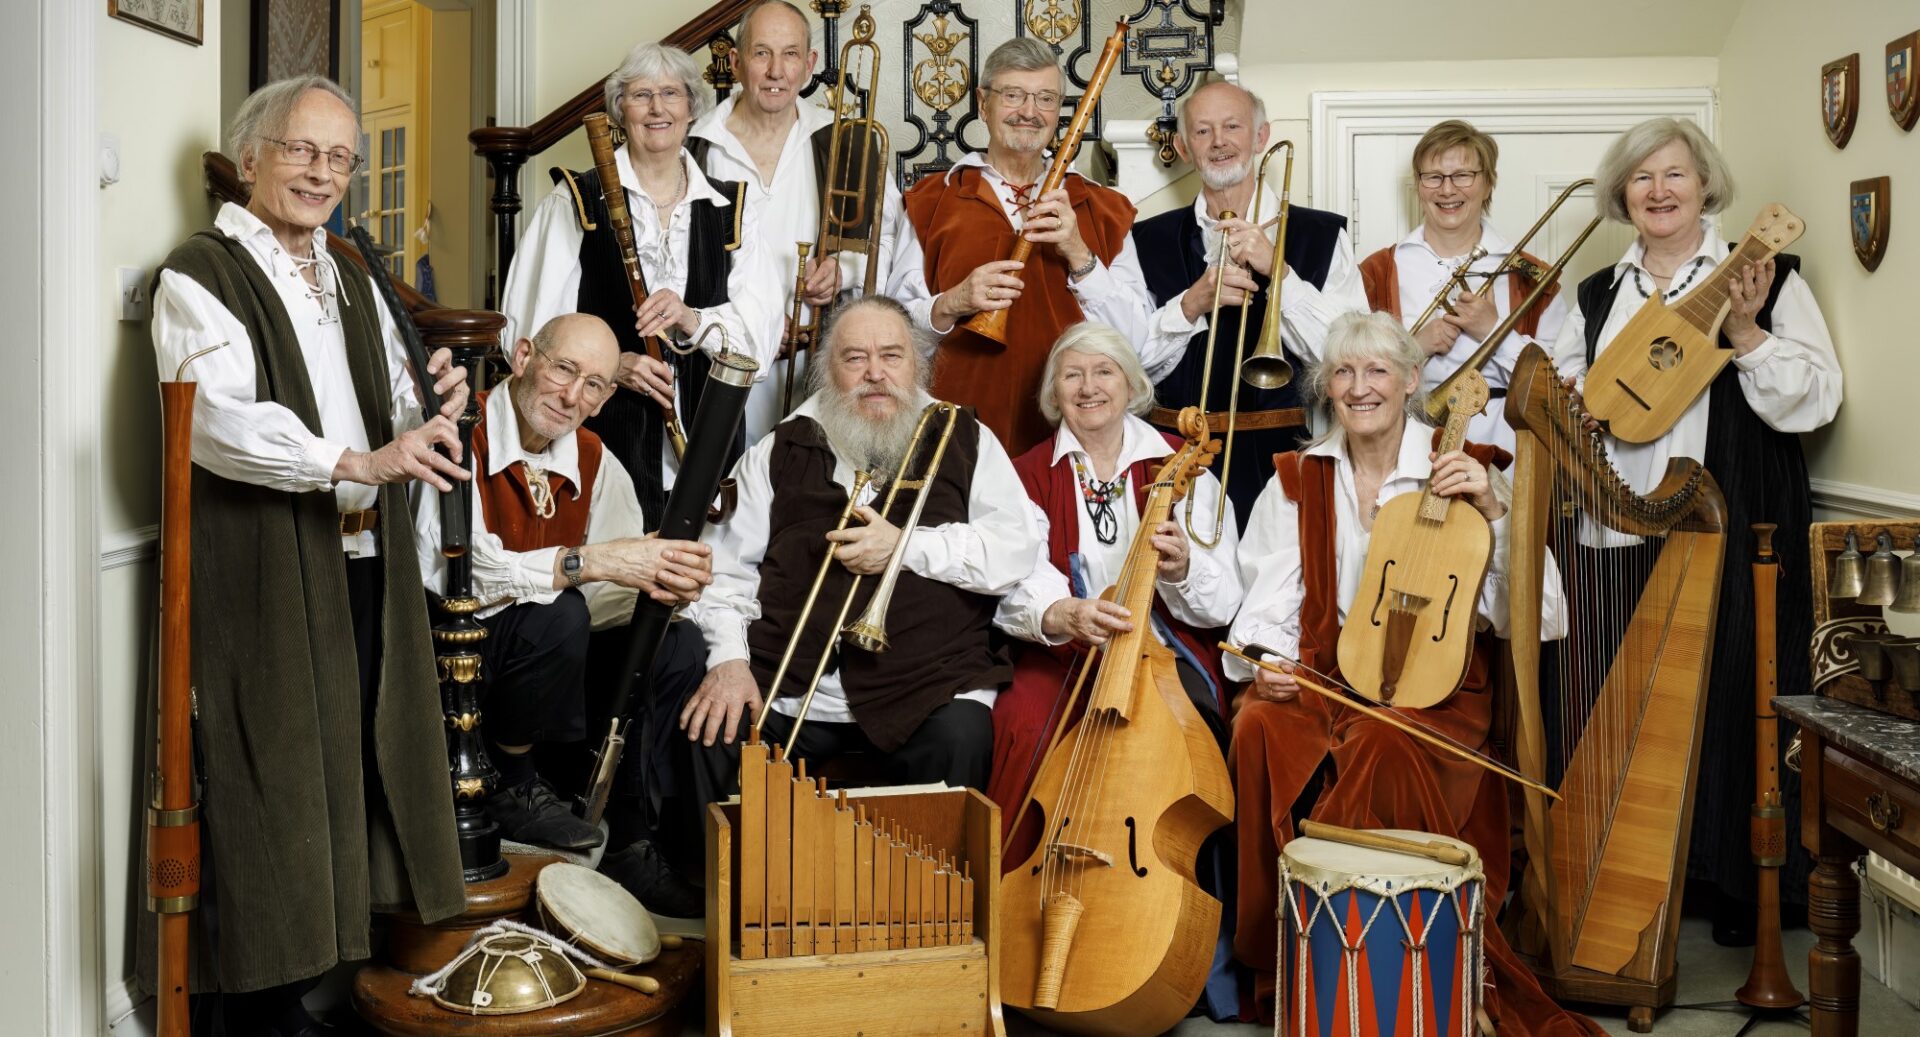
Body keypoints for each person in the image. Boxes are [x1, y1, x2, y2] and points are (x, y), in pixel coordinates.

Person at [147, 75, 469, 1036]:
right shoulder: (198, 273)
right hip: (264, 575)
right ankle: (263, 1005)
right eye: (302, 151)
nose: (323, 174)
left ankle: (319, 991)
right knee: (274, 784)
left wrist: (427, 408)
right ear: (249, 158)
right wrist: (358, 460)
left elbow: (385, 411)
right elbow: (217, 425)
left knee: (357, 773)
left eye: (340, 160)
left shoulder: (352, 273)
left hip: (363, 568)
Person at [1226, 312, 1591, 1034]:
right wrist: (1268, 664)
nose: (1360, 388)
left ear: (1412, 381)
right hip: (1327, 673)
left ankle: (1356, 958)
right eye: (1343, 372)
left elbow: (1542, 616)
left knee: (1384, 741)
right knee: (1257, 725)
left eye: (1377, 371)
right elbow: (1262, 598)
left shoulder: (1470, 466)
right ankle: (1285, 963)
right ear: (1326, 387)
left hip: (1438, 687)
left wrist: (1492, 511)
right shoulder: (1298, 477)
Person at [1552, 117, 1841, 943]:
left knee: (1739, 696)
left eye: (1674, 174)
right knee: (1630, 701)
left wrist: (1747, 336)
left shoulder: (1768, 276)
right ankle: (1640, 880)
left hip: (1737, 522)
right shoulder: (1599, 294)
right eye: (1641, 179)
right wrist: (1583, 414)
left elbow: (1818, 399)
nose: (1659, 191)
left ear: (1705, 184)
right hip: (1624, 529)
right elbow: (1575, 397)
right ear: (1622, 197)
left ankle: (1737, 887)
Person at [681, 294, 1040, 809]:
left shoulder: (966, 438)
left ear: (918, 365)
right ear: (828, 370)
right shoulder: (778, 449)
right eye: (855, 358)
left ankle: (926, 893)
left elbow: (1013, 550)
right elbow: (721, 570)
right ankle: (721, 888)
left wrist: (904, 547)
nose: (875, 373)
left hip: (928, 687)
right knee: (714, 726)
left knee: (961, 737)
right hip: (792, 686)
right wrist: (730, 661)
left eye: (892, 356)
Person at [412, 313, 713, 859]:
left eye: (593, 385)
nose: (572, 395)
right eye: (564, 369)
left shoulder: (595, 458)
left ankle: (630, 837)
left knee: (676, 645)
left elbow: (619, 589)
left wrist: (665, 585)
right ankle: (514, 780)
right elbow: (456, 569)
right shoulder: (459, 428)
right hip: (453, 657)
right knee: (559, 612)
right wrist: (589, 563)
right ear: (524, 357)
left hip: (548, 668)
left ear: (602, 400)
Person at [501, 41, 782, 526]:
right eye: (641, 95)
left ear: (692, 108)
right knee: (611, 590)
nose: (658, 109)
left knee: (698, 590)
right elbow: (524, 336)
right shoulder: (575, 202)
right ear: (619, 109)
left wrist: (693, 319)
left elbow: (759, 342)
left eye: (672, 94)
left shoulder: (735, 209)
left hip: (708, 448)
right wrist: (612, 367)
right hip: (600, 444)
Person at [990, 321, 1242, 861]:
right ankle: (1014, 884)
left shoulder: (1185, 466)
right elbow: (1015, 579)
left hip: (1164, 648)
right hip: (1064, 651)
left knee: (1185, 728)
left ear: (1130, 383)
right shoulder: (1024, 474)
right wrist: (1064, 613)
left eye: (1104, 371)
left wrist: (1183, 571)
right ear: (1053, 393)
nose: (1088, 387)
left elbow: (1225, 600)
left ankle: (1171, 893)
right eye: (1072, 375)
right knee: (1023, 723)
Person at [891, 37, 1153, 454]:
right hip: (958, 433)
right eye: (1013, 95)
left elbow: (1139, 340)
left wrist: (1079, 254)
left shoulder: (1102, 207)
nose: (1029, 112)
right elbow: (894, 337)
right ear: (983, 103)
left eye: (1045, 99)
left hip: (1074, 435)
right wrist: (953, 302)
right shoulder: (932, 201)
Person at [1133, 81, 1369, 523]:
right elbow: (1127, 368)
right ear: (1183, 148)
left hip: (1291, 454)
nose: (1219, 141)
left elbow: (1353, 359)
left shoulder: (1321, 235)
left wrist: (1277, 272)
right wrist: (1190, 304)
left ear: (1261, 137)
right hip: (1174, 454)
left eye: (1232, 126)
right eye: (1202, 132)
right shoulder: (1145, 239)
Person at [688, 0, 903, 444]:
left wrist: (844, 270)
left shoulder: (848, 140)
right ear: (736, 61)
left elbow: (891, 237)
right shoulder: (693, 146)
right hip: (717, 361)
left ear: (809, 65)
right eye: (762, 53)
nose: (775, 71)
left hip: (819, 361)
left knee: (810, 494)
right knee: (722, 496)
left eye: (789, 55)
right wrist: (755, 322)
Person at [1358, 119, 1570, 453]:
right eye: (1434, 177)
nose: (1447, 190)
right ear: (1418, 184)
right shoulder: (1377, 270)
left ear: (1488, 184)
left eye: (1463, 176)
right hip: (1409, 443)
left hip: (1512, 447)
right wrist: (1414, 348)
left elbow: (1559, 384)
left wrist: (1494, 331)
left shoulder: (1534, 278)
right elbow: (1352, 376)